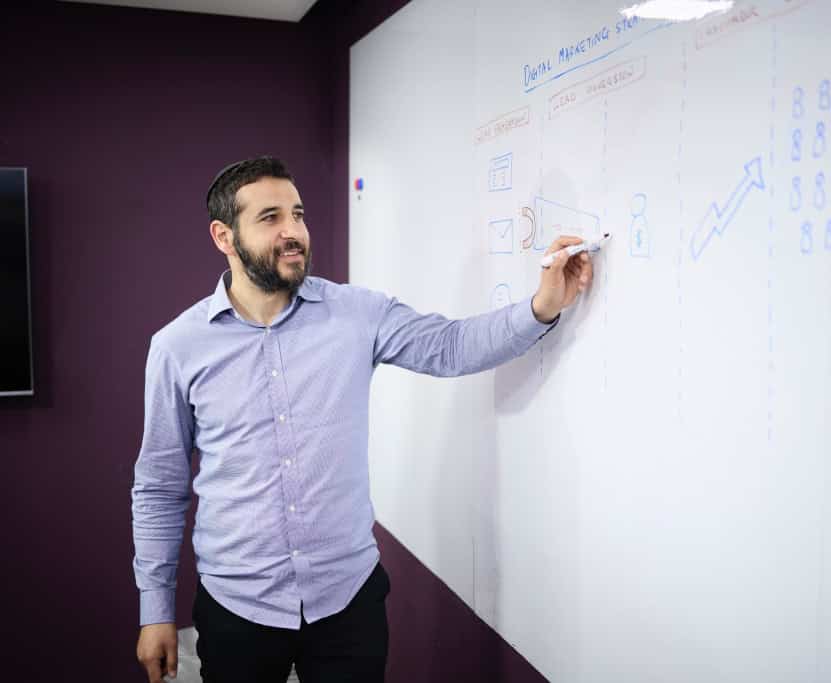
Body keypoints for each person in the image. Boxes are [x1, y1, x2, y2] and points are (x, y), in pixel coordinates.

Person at [132, 156, 593, 683]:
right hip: (239, 607)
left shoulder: (357, 313)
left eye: (298, 214)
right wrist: (156, 609)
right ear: (224, 236)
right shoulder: (177, 347)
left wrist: (540, 306)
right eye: (270, 218)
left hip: (347, 602)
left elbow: (450, 346)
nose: (293, 232)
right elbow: (159, 487)